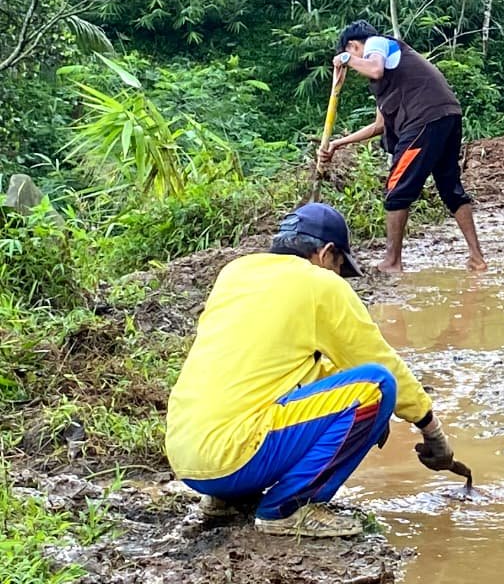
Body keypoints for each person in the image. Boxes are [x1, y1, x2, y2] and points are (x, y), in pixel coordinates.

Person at [165, 203, 459, 538]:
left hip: (186, 454)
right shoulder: (320, 284)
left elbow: (292, 371)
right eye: (338, 266)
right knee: (378, 386)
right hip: (234, 456)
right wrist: (430, 427)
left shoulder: (236, 272)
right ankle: (287, 508)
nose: (337, 275)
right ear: (326, 253)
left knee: (270, 393)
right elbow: (379, 362)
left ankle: (227, 499)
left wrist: (361, 414)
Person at [323, 22, 486, 273]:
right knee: (451, 189)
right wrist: (338, 143)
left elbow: (375, 68)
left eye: (351, 53)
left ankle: (392, 262)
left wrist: (344, 59)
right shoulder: (389, 78)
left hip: (424, 119)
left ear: (353, 46)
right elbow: (379, 125)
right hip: (446, 116)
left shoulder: (376, 43)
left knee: (396, 190)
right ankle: (477, 258)